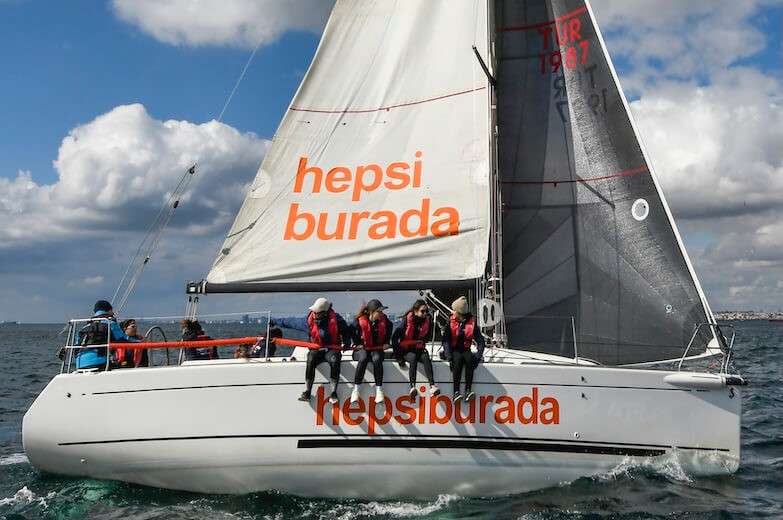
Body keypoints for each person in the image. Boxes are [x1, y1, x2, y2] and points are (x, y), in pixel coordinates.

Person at [274, 297, 351, 404]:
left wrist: (347, 342)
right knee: (310, 359)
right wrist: (274, 321)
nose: (315, 315)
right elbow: (290, 322)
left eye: (318, 313)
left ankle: (333, 392)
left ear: (325, 313)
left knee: (335, 359)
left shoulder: (337, 320)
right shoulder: (308, 321)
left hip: (331, 350)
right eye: (314, 312)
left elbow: (346, 331)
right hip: (317, 349)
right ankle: (308, 391)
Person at [392, 299, 439, 399]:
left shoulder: (428, 321)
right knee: (413, 358)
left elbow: (431, 335)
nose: (425, 313)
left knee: (425, 357)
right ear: (415, 311)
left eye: (426, 311)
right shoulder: (407, 321)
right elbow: (395, 338)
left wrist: (434, 324)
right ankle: (412, 387)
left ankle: (432, 386)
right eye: (422, 311)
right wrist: (399, 357)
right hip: (407, 350)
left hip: (419, 349)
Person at [75, 300, 141, 370]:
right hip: (98, 363)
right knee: (122, 366)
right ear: (109, 310)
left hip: (79, 364)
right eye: (112, 311)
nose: (113, 313)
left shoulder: (84, 328)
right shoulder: (110, 323)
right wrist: (139, 342)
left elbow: (76, 347)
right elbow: (123, 339)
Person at [441, 296, 485, 403]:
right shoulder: (450, 322)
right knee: (457, 361)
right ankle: (456, 392)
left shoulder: (472, 323)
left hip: (465, 349)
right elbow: (446, 341)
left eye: (454, 311)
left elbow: (480, 340)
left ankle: (468, 390)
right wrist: (448, 356)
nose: (453, 313)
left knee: (469, 360)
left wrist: (478, 355)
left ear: (460, 313)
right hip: (454, 350)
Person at [351, 299, 393, 405]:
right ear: (371, 312)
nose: (381, 314)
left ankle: (379, 390)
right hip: (362, 350)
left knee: (377, 359)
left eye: (382, 311)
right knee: (363, 358)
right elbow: (350, 331)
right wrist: (356, 343)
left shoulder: (385, 321)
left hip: (376, 349)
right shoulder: (358, 322)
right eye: (379, 311)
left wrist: (387, 342)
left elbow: (390, 328)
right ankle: (356, 390)